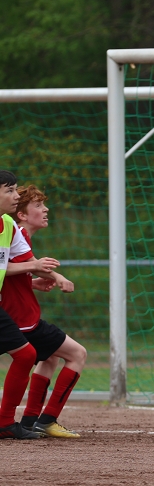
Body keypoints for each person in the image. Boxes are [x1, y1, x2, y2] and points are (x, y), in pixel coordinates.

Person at [2, 184, 86, 438]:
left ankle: (29, 421)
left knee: (48, 357)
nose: (45, 209)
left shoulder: (16, 235)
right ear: (22, 214)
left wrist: (34, 281)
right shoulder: (15, 232)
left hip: (21, 317)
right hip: (20, 319)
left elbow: (12, 271)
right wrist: (56, 277)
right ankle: (43, 419)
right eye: (37, 206)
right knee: (77, 354)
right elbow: (9, 267)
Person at [0, 170, 49, 440]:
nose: (15, 196)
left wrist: (34, 277)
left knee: (26, 354)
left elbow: (12, 265)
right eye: (9, 191)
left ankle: (5, 422)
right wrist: (35, 267)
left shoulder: (7, 224)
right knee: (27, 354)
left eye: (16, 190)